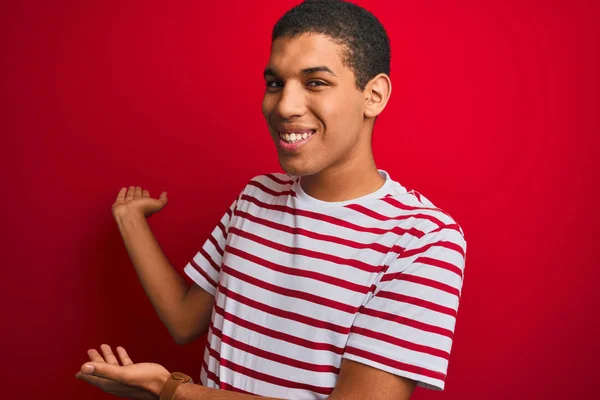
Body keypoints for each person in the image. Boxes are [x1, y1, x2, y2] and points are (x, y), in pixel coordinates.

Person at [75, 1, 467, 399]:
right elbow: (183, 319)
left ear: (374, 95)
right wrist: (130, 220)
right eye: (276, 83)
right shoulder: (257, 196)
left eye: (315, 82)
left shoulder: (424, 241)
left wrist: (170, 391)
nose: (284, 106)